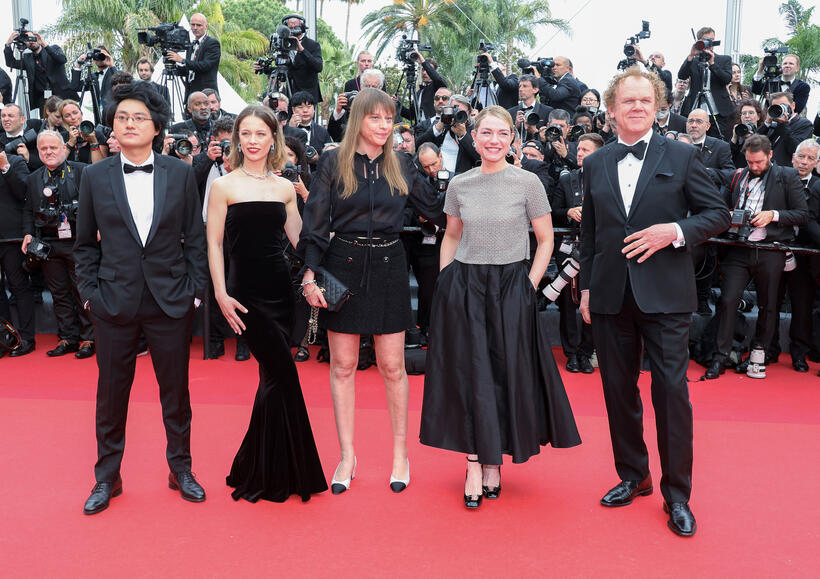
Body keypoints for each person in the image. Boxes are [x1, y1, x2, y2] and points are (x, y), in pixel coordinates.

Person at [578, 67, 730, 536]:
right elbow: (590, 235)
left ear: (658, 106)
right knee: (617, 391)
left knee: (671, 393)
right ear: (612, 109)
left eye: (646, 100)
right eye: (628, 100)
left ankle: (677, 494)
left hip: (666, 295)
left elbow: (719, 214)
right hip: (610, 294)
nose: (638, 107)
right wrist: (587, 288)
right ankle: (634, 475)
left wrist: (675, 231)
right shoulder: (594, 163)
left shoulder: (682, 155)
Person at [419, 105, 580, 509]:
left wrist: (529, 284)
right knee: (471, 373)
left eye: (502, 133)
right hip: (465, 286)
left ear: (512, 139)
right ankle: (475, 462)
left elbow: (545, 239)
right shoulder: (460, 184)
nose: (494, 140)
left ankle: (494, 460)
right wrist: (445, 280)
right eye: (486, 133)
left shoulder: (528, 183)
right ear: (474, 138)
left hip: (511, 285)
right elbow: (451, 235)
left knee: (505, 373)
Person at [298, 88, 444, 495]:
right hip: (340, 264)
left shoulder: (403, 163)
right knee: (342, 365)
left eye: (389, 119)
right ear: (358, 119)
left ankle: (400, 455)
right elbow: (315, 223)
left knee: (393, 367)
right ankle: (347, 456)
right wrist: (309, 275)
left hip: (389, 264)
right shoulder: (333, 162)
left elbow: (437, 209)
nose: (383, 126)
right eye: (375, 117)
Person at [74, 81, 209, 515]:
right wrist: (91, 296)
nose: (129, 124)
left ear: (157, 127)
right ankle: (106, 477)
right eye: (122, 117)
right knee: (111, 396)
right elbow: (84, 246)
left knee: (176, 394)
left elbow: (195, 239)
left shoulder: (181, 173)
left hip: (170, 300)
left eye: (138, 118)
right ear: (112, 126)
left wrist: (194, 293)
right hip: (113, 302)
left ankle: (181, 469)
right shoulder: (94, 176)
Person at [206, 105, 326, 502]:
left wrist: (318, 267)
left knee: (272, 380)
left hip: (279, 292)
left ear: (273, 138)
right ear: (237, 140)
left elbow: (301, 240)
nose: (253, 140)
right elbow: (214, 245)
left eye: (261, 133)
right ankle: (288, 470)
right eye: (246, 134)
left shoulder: (283, 188)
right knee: (283, 375)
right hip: (245, 294)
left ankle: (259, 467)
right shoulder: (224, 186)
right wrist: (221, 293)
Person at [704, 134, 807, 381]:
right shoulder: (740, 175)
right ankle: (720, 356)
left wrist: (773, 215)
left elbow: (802, 214)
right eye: (750, 162)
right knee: (728, 300)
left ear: (770, 155)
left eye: (759, 162)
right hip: (739, 249)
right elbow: (717, 181)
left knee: (768, 305)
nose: (754, 167)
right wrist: (729, 214)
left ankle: (759, 353)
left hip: (771, 250)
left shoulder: (787, 175)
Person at [22, 130, 94, 358]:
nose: (48, 152)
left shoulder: (83, 171)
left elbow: (96, 203)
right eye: (43, 148)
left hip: (79, 241)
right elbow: (28, 210)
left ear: (64, 148)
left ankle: (89, 338)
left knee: (82, 291)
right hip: (48, 243)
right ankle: (68, 337)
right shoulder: (33, 178)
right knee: (59, 293)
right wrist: (28, 234)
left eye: (53, 147)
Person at [551, 133, 603, 373]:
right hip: (569, 248)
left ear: (599, 154)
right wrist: (568, 212)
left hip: (599, 251)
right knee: (568, 302)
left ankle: (586, 352)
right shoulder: (567, 179)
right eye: (578, 149)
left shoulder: (608, 179)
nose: (579, 153)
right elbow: (553, 211)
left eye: (585, 150)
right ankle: (571, 353)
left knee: (594, 300)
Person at [0, 148, 34, 356]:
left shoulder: (15, 162)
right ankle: (5, 337)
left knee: (19, 287)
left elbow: (24, 193)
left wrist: (5, 167)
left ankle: (27, 338)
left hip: (12, 238)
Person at [677, 27, 733, 140]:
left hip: (718, 110)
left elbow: (726, 79)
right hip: (696, 107)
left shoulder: (724, 59)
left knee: (718, 141)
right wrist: (691, 55)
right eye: (705, 40)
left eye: (711, 40)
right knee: (694, 140)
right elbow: (682, 75)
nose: (709, 43)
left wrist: (712, 64)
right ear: (698, 41)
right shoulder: (693, 60)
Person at [4, 30, 77, 110]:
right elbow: (11, 63)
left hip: (62, 95)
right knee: (45, 117)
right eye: (27, 40)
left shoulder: (53, 48)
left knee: (66, 116)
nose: (31, 42)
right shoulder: (28, 59)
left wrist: (44, 44)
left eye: (32, 38)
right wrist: (8, 45)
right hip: (43, 99)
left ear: (37, 37)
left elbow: (62, 60)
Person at [165, 13, 220, 102]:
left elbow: (205, 66)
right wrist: (173, 66)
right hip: (191, 95)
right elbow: (189, 70)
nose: (195, 28)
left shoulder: (212, 43)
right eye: (193, 25)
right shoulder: (191, 44)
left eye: (199, 25)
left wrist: (182, 60)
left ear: (206, 26)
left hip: (206, 95)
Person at [283, 15, 323, 102]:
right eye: (290, 27)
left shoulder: (313, 45)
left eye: (295, 27)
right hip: (291, 94)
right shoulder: (284, 45)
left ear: (302, 27)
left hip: (308, 96)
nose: (293, 29)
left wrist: (302, 50)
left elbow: (318, 67)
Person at [58, 99, 107, 164]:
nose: (73, 117)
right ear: (63, 120)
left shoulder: (96, 134)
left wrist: (93, 142)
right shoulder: (61, 137)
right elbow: (57, 164)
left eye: (75, 113)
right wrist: (70, 143)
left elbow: (101, 166)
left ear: (81, 113)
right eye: (67, 116)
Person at [730, 98, 764, 168]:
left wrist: (753, 139)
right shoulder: (738, 133)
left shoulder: (764, 132)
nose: (747, 116)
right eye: (744, 113)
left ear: (758, 116)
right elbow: (729, 159)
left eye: (751, 113)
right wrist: (734, 138)